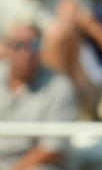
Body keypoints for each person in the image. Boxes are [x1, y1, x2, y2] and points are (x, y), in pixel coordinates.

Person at [0, 24, 78, 170]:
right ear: (6, 49)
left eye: (34, 44)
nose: (27, 52)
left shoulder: (60, 86)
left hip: (36, 165)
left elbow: (53, 148)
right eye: (18, 45)